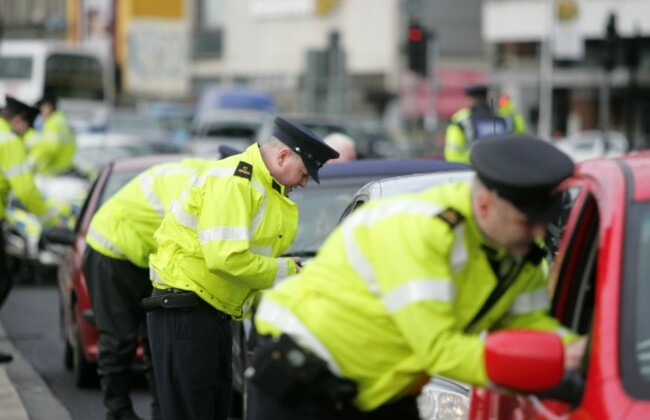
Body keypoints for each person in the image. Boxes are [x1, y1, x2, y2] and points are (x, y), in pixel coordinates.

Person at [251, 134, 587, 419]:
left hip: (382, 387)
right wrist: (554, 364)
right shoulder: (422, 231)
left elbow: (529, 321)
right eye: (527, 222)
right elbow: (439, 350)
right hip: (301, 379)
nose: (538, 232)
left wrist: (582, 352)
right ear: (485, 206)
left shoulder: (515, 249)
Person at [145, 117, 340, 420]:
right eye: (303, 173)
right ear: (283, 155)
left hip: (211, 314)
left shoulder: (263, 187)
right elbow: (226, 258)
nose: (303, 183)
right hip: (186, 314)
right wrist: (286, 271)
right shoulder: (234, 181)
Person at [82, 157, 208, 420]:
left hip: (148, 260)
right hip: (111, 252)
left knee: (158, 341)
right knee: (120, 340)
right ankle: (118, 413)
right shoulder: (184, 181)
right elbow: (192, 239)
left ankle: (163, 413)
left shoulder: (210, 177)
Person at [0, 95, 63, 363]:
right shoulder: (10, 141)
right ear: (18, 120)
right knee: (3, 280)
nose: (26, 133)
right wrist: (52, 221)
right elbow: (25, 188)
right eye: (27, 126)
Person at [444, 84, 511, 164]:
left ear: (470, 98)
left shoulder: (460, 120)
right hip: (501, 170)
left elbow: (452, 155)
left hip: (473, 170)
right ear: (486, 97)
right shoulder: (503, 118)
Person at [27, 92, 76, 175]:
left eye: (41, 107)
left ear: (49, 107)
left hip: (53, 171)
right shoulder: (62, 120)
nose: (40, 111)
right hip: (64, 167)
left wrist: (32, 160)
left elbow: (49, 147)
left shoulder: (52, 122)